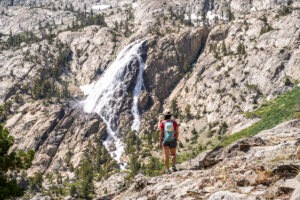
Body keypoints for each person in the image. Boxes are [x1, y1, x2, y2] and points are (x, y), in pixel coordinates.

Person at [159, 109, 179, 174]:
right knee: (173, 154)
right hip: (173, 139)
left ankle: (167, 170)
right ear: (170, 115)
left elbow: (161, 133)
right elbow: (177, 132)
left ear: (164, 115)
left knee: (166, 155)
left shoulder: (163, 123)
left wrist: (160, 142)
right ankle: (173, 166)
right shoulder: (174, 122)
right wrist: (176, 139)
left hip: (165, 140)